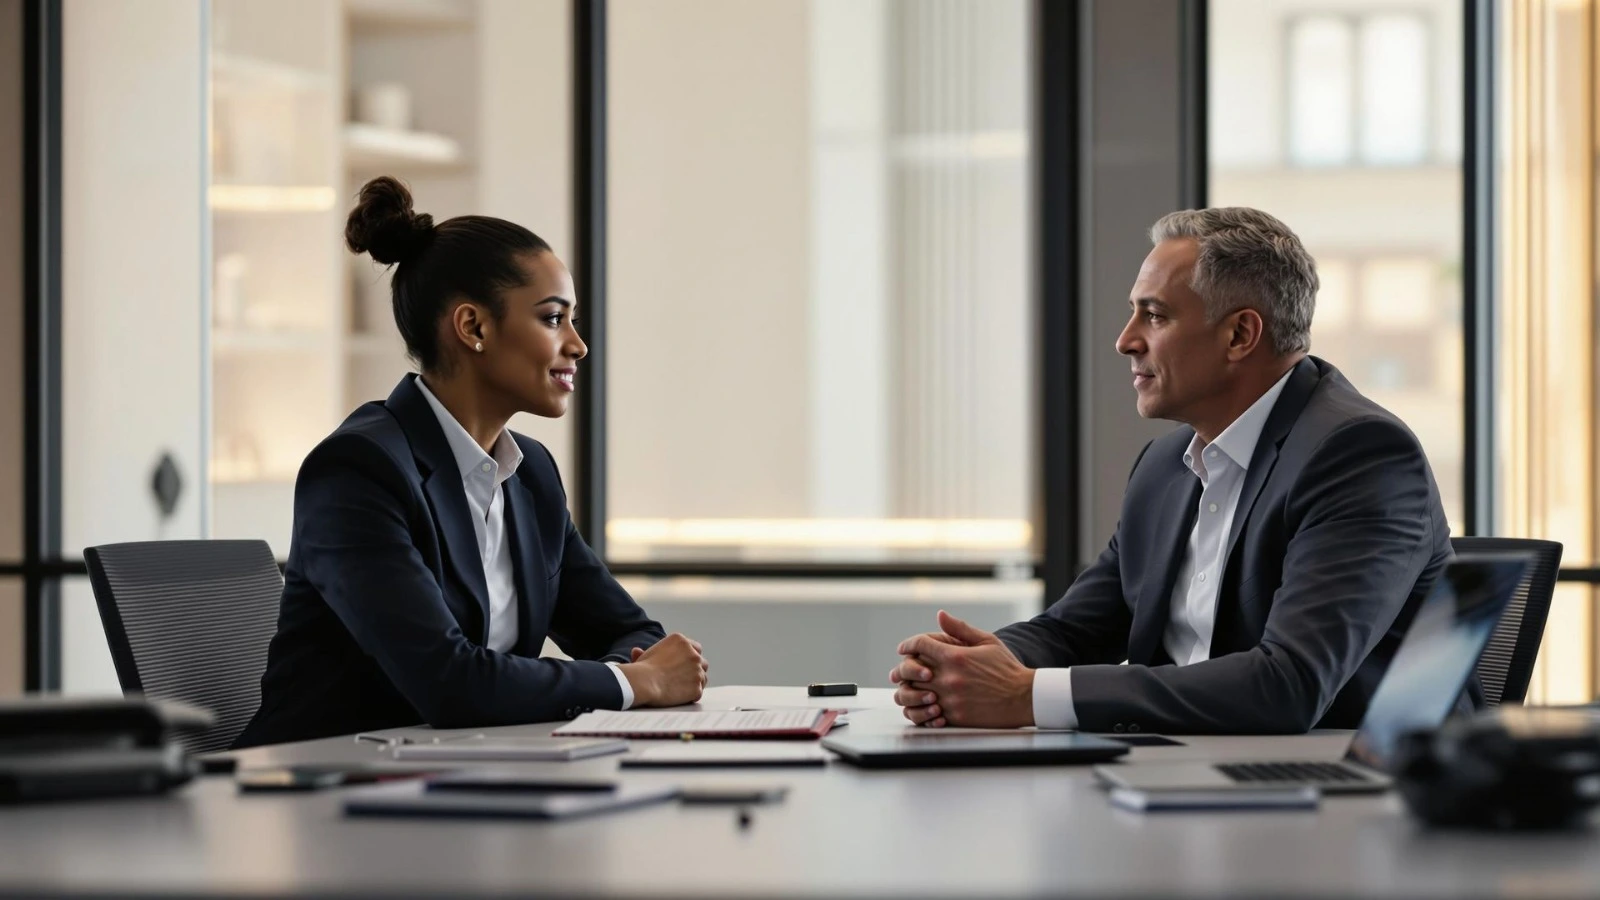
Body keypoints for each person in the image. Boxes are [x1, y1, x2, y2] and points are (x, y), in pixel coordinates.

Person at [890, 207, 1452, 735]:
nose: (1125, 340)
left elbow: (1290, 685)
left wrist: (1026, 696)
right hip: (1185, 765)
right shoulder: (1166, 464)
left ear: (1239, 335)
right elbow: (1079, 628)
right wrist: (969, 668)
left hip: (1340, 792)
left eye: (1154, 315)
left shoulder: (1358, 454)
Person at [234, 177, 707, 748]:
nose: (578, 344)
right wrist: (632, 683)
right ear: (473, 327)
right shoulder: (358, 470)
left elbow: (632, 634)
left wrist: (634, 675)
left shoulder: (528, 473)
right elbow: (449, 683)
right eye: (554, 318)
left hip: (463, 781)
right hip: (325, 799)